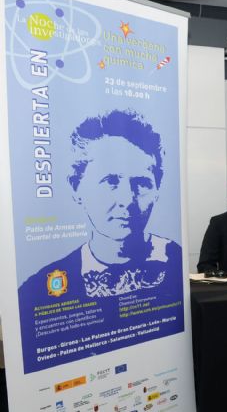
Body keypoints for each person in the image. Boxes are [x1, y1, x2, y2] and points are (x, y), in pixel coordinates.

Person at [18, 109, 183, 373]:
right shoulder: (36, 290)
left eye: (141, 183)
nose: (127, 200)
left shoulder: (178, 263)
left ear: (157, 189)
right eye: (111, 181)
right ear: (76, 188)